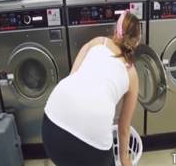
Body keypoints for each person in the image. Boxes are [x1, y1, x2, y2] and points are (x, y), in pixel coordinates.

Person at [42, 10, 141, 166]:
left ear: (116, 30)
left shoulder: (98, 42)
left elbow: (73, 75)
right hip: (92, 143)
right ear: (137, 41)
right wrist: (125, 160)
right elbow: (123, 127)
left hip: (52, 126)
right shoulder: (132, 73)